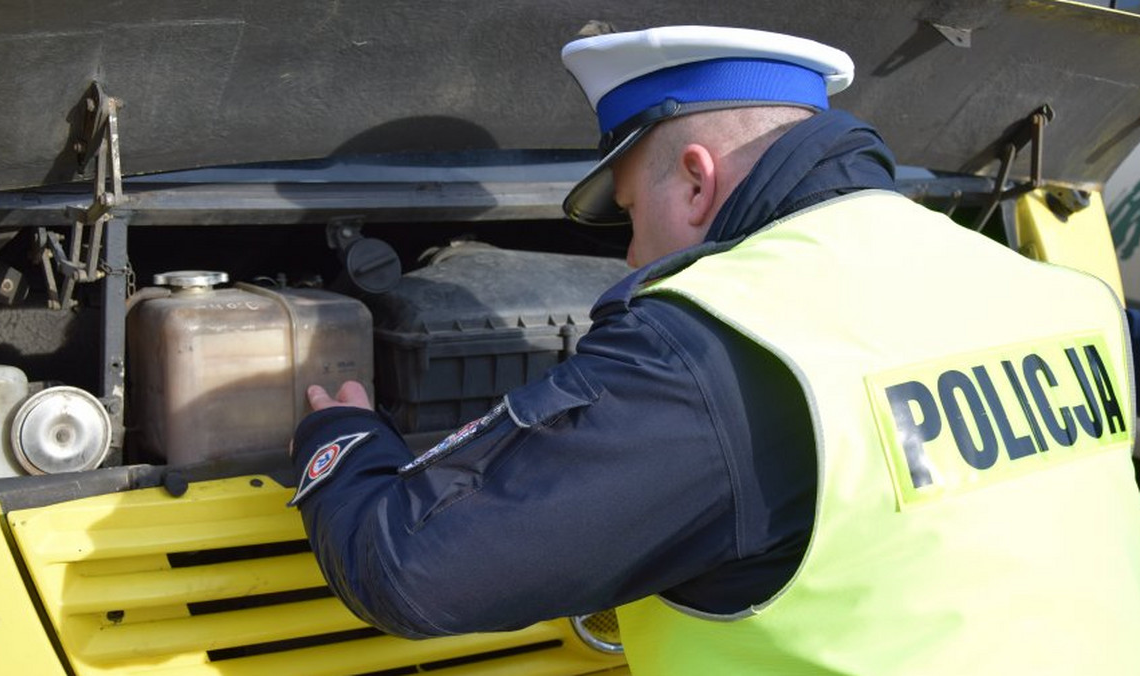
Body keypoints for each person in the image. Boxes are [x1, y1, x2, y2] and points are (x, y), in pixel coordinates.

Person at [289, 25, 1140, 675]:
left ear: (696, 179)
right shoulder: (1064, 294)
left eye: (630, 213)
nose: (630, 256)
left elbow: (412, 566)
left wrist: (344, 444)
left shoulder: (717, 339)